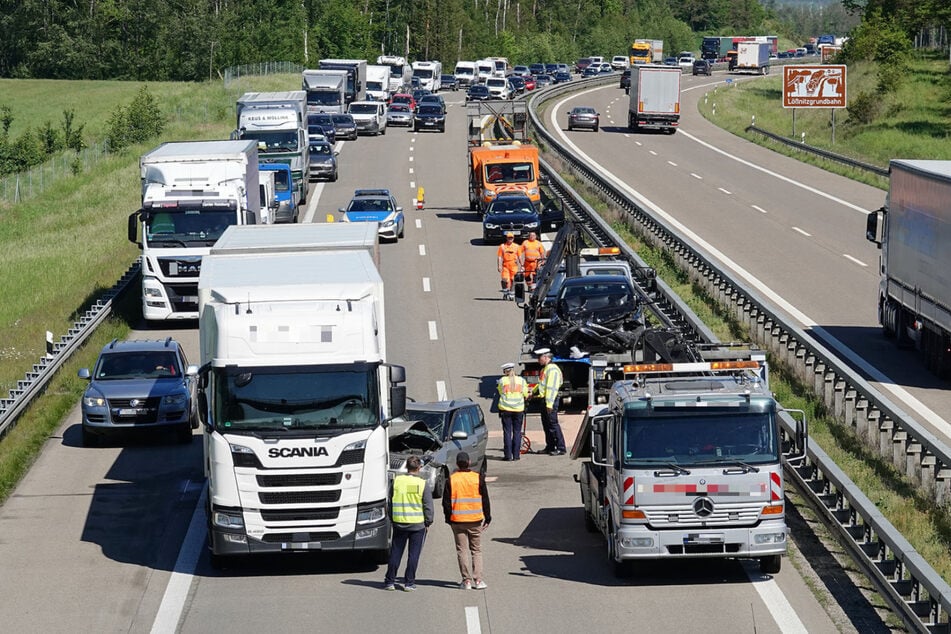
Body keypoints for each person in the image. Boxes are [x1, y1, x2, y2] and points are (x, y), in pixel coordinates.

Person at [384, 455, 434, 592]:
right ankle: (409, 583)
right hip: (418, 524)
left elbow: (390, 502)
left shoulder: (397, 481)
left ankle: (390, 581)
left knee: (396, 552)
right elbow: (428, 505)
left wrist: (392, 518)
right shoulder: (422, 484)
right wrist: (428, 521)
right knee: (414, 555)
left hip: (400, 523)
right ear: (419, 468)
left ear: (406, 467)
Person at [443, 451, 491, 590]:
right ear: (469, 462)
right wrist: (488, 517)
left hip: (457, 520)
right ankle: (478, 580)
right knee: (476, 550)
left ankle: (466, 580)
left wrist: (448, 518)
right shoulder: (477, 478)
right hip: (475, 520)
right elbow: (485, 499)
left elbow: (446, 502)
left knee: (461, 550)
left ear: (457, 464)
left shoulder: (451, 479)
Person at [534, 348, 565, 455]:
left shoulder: (552, 370)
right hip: (544, 400)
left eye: (539, 357)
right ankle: (550, 446)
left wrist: (549, 404)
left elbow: (552, 388)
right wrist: (532, 393)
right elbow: (542, 385)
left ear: (546, 357)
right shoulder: (545, 369)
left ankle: (561, 447)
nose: (538, 360)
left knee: (553, 424)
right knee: (546, 425)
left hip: (550, 401)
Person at [496, 362, 529, 461]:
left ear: (505, 371)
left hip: (505, 409)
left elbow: (500, 392)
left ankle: (508, 455)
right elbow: (525, 394)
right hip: (518, 409)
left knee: (507, 432)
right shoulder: (521, 380)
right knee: (517, 432)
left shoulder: (502, 381)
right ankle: (516, 455)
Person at [497, 231, 520, 300]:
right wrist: (499, 266)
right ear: (506, 238)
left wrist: (522, 265)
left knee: (513, 280)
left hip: (514, 265)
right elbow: (500, 257)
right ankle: (505, 292)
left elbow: (519, 256)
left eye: (511, 238)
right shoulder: (502, 246)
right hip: (505, 265)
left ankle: (511, 293)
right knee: (504, 280)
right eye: (509, 238)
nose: (510, 239)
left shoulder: (516, 246)